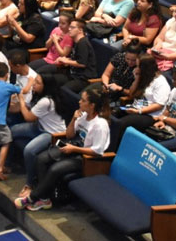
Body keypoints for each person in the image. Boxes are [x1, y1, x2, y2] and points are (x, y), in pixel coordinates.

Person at [14, 84, 110, 212]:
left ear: (92, 105)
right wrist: (73, 119)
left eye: (83, 100)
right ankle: (45, 199)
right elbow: (69, 134)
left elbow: (98, 151)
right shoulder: (82, 116)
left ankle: (32, 198)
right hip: (73, 147)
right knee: (41, 158)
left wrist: (74, 149)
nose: (79, 101)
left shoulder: (100, 125)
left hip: (86, 158)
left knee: (54, 169)